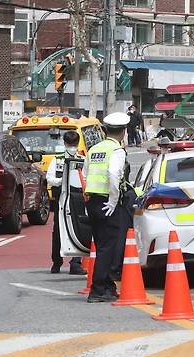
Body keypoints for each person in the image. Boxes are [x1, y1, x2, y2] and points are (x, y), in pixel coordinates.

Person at [82, 112, 129, 303]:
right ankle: (98, 289)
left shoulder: (94, 149)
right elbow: (114, 174)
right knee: (107, 247)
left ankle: (107, 286)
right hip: (107, 202)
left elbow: (85, 175)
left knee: (102, 245)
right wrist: (113, 199)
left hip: (93, 201)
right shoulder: (116, 151)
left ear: (105, 130)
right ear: (124, 132)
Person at [46, 130, 86, 275]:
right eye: (70, 144)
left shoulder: (82, 159)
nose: (72, 147)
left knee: (77, 228)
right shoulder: (57, 160)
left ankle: (75, 264)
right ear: (64, 144)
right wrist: (60, 181)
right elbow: (49, 179)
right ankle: (56, 262)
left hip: (77, 199)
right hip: (61, 200)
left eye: (74, 144)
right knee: (58, 230)